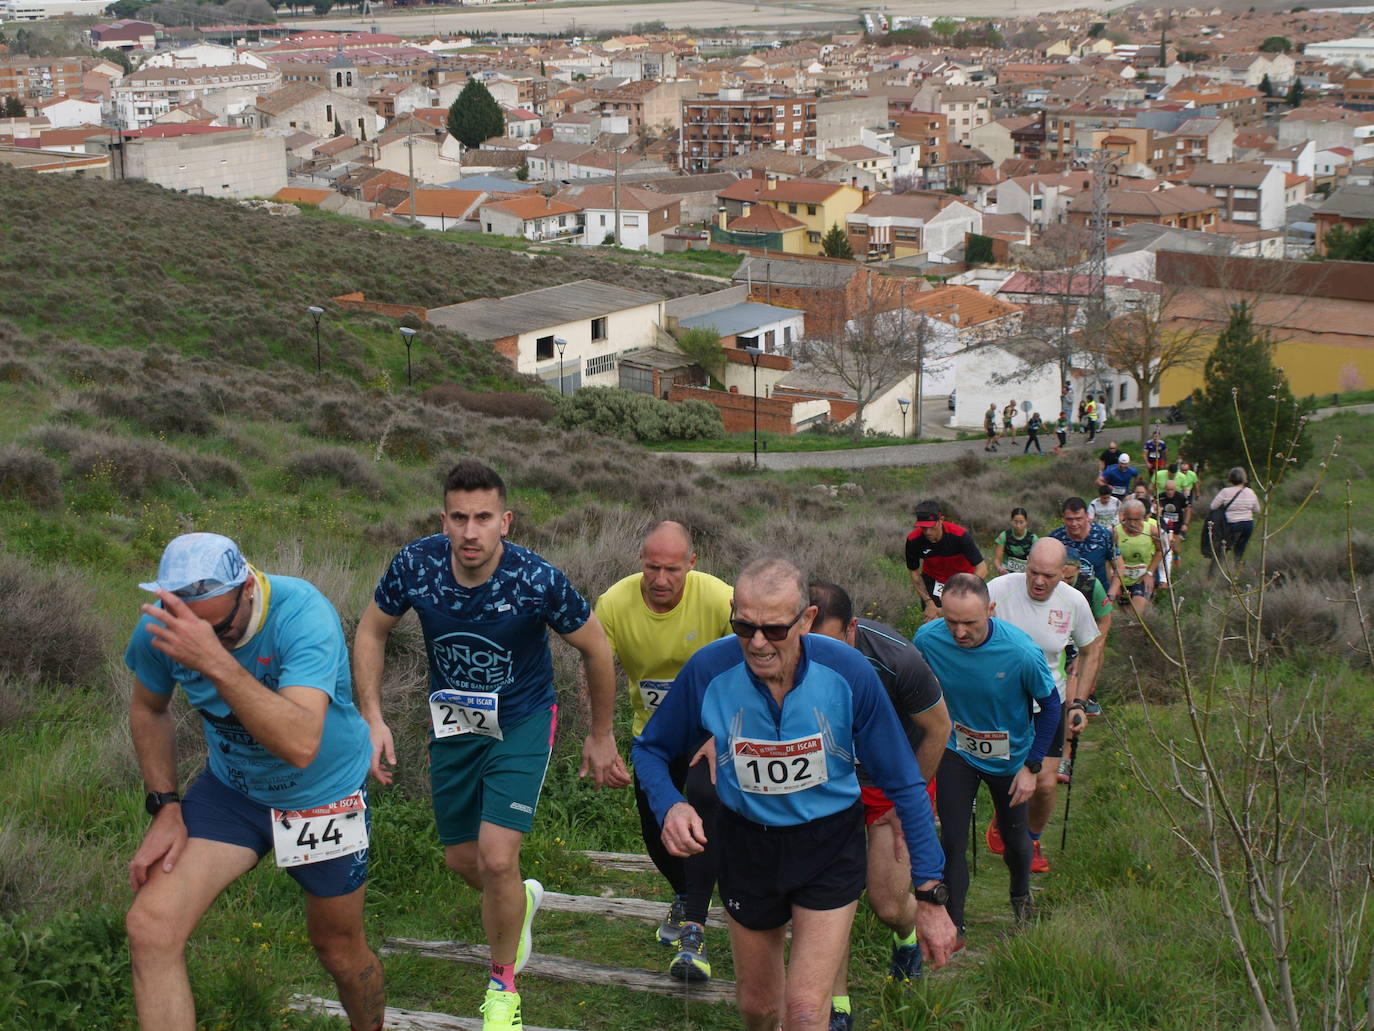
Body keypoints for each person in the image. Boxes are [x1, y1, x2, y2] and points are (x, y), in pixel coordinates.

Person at [352, 460, 630, 1031]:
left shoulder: (535, 580)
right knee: (465, 860)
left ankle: (502, 986)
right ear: (444, 520)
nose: (470, 531)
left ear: (506, 521)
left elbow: (597, 650)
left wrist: (601, 735)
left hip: (523, 719)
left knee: (498, 856)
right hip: (453, 722)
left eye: (483, 518)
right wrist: (372, 716)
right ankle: (518, 902)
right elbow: (371, 629)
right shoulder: (416, 564)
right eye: (459, 517)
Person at [633, 558, 958, 1031]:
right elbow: (650, 750)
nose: (758, 642)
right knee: (758, 1008)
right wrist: (671, 804)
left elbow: (904, 780)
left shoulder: (847, 671)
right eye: (744, 626)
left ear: (806, 620)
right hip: (748, 843)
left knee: (806, 1012)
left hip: (829, 844)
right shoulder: (710, 668)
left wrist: (929, 893)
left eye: (774, 629)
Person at [124, 533, 385, 1031]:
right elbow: (147, 707)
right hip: (234, 791)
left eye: (219, 629)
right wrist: (166, 807)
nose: (203, 639)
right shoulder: (165, 626)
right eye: (190, 628)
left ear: (246, 587)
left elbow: (301, 743)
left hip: (323, 795)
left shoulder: (303, 613)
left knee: (338, 950)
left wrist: (211, 659)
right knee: (150, 926)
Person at [594, 521, 733, 983]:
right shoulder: (615, 603)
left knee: (700, 810)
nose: (660, 579)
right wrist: (601, 734)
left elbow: (756, 654)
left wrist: (733, 729)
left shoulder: (718, 598)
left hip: (710, 736)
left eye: (672, 569)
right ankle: (687, 892)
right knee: (657, 834)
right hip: (654, 736)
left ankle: (694, 926)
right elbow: (595, 664)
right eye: (652, 567)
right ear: (640, 562)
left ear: (691, 565)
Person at [808, 582, 951, 1024]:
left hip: (892, 783)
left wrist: (907, 798)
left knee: (888, 904)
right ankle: (838, 1007)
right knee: (828, 903)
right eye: (810, 644)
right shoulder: (788, 651)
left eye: (830, 644)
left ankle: (906, 940)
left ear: (852, 629)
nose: (819, 656)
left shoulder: (897, 658)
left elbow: (940, 729)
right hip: (829, 784)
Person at [914, 574, 1061, 943]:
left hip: (1010, 759)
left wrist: (1032, 766)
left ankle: (1020, 896)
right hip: (956, 750)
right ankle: (955, 925)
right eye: (951, 622)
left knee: (1014, 841)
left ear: (990, 611)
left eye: (970, 623)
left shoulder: (1021, 652)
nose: (959, 632)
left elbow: (1050, 707)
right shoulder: (928, 641)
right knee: (952, 838)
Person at [984, 539, 1102, 872]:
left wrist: (1078, 702)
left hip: (1050, 703)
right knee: (1003, 772)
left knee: (1046, 783)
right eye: (1033, 572)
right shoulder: (999, 589)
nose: (1038, 581)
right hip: (1001, 703)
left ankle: (1031, 839)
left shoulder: (1074, 601)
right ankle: (1003, 817)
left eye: (1048, 576)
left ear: (1064, 572)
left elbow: (1092, 649)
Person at [906, 499, 988, 621]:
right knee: (933, 620)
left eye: (931, 527)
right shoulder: (914, 540)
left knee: (963, 619)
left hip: (962, 580)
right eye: (923, 528)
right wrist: (929, 602)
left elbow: (982, 568)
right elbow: (914, 572)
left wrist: (963, 591)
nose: (927, 532)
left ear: (941, 520)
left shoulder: (960, 536)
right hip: (933, 580)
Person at [1049, 497, 1123, 604]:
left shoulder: (1103, 536)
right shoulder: (1055, 539)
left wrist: (1111, 593)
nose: (1074, 524)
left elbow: (1119, 566)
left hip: (1098, 599)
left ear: (1087, 517)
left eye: (1078, 519)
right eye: (1069, 519)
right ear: (1063, 518)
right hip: (1064, 600)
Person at [1112, 499, 1163, 616]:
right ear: (1124, 516)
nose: (1132, 524)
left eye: (1136, 520)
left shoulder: (1152, 531)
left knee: (1136, 614)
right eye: (1129, 519)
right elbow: (1109, 558)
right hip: (1122, 580)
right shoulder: (1115, 532)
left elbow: (1160, 551)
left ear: (1143, 517)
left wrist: (1150, 573)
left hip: (1142, 578)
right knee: (1126, 616)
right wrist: (1114, 582)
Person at [1209, 467, 1262, 561]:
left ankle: (1217, 571)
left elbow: (1213, 506)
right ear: (1244, 478)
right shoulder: (1250, 492)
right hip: (1247, 525)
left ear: (1231, 478)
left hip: (1231, 525)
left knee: (1222, 550)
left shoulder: (1225, 492)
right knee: (1240, 551)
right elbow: (1257, 509)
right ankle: (1237, 570)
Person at [1156, 478, 1192, 580]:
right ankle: (1167, 572)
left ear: (1175, 489)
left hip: (1177, 526)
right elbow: (1154, 507)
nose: (1169, 492)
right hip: (1164, 526)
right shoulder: (1161, 497)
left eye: (1171, 490)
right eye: (1167, 490)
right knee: (1166, 549)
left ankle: (1177, 568)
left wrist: (1186, 523)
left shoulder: (1180, 497)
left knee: (1175, 548)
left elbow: (1188, 509)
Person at [993, 508, 1037, 575]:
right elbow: (997, 559)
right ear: (1011, 521)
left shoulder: (1033, 538)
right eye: (1015, 522)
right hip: (1006, 572)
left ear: (1026, 522)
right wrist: (1000, 568)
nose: (1018, 526)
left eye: (1021, 522)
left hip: (1026, 574)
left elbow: (1038, 560)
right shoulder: (1004, 536)